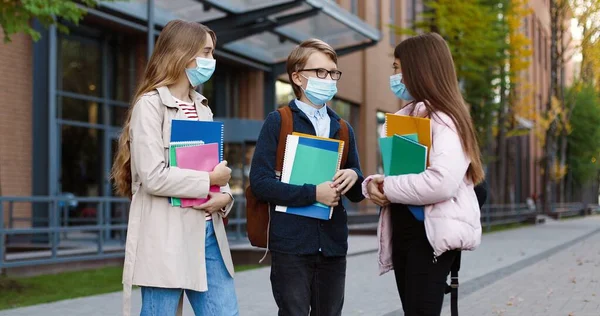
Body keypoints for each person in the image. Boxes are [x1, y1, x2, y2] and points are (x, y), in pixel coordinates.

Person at [111, 20, 239, 316]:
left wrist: (225, 197)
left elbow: (214, 170)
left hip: (208, 235)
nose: (211, 60)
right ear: (182, 53)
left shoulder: (203, 107)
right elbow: (153, 177)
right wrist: (209, 179)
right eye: (206, 52)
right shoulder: (150, 105)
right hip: (165, 238)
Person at [362, 33, 484, 316]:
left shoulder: (446, 119)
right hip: (407, 229)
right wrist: (373, 186)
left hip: (430, 236)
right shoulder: (407, 118)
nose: (393, 75)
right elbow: (397, 174)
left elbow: (441, 182)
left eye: (396, 67)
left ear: (417, 69)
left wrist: (387, 187)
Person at [249, 39, 365, 316]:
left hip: (333, 246)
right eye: (320, 72)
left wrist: (354, 176)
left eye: (333, 73)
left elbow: (358, 192)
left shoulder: (343, 127)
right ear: (298, 77)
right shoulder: (279, 121)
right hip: (291, 246)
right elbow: (261, 183)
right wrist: (313, 194)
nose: (329, 79)